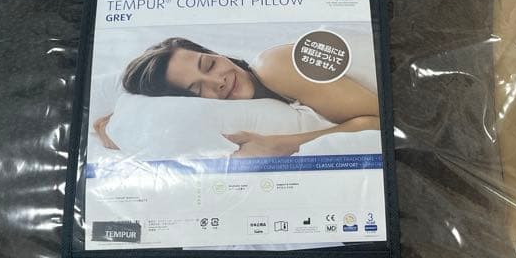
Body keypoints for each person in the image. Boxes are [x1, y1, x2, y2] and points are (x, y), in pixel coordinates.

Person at [93, 37, 379, 157]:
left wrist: (283, 144)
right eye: (196, 89)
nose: (217, 81)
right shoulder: (257, 108)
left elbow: (383, 121)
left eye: (209, 64)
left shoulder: (273, 66)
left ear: (216, 53)